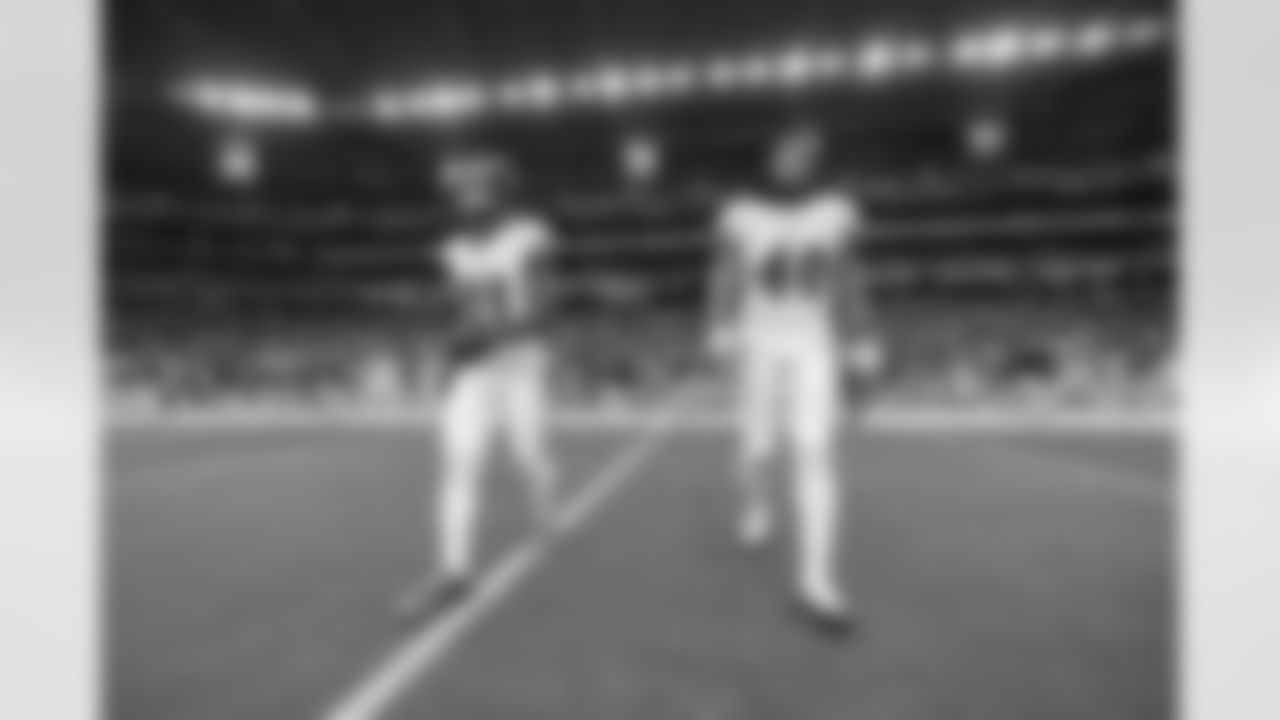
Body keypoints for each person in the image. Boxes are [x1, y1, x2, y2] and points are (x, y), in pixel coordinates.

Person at [706, 123, 881, 637]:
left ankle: (816, 581)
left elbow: (848, 279)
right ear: (769, 155)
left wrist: (861, 345)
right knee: (755, 449)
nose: (793, 160)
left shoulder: (836, 211)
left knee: (814, 452)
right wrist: (720, 329)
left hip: (812, 341)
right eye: (785, 150)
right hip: (758, 340)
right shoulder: (740, 212)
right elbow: (727, 273)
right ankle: (757, 505)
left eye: (804, 153)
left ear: (817, 160)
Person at [398, 147, 560, 618]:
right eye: (462, 189)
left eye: (478, 187)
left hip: (520, 368)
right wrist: (449, 349)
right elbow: (455, 309)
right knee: (459, 463)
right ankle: (455, 573)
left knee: (528, 454)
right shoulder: (452, 250)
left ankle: (545, 508)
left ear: (501, 191)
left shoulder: (529, 236)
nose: (468, 196)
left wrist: (485, 337)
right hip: (475, 371)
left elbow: (544, 308)